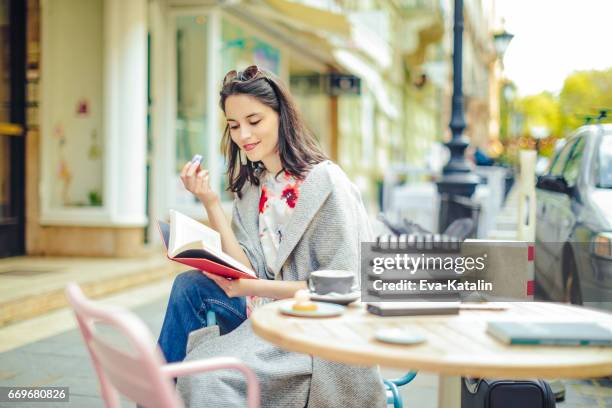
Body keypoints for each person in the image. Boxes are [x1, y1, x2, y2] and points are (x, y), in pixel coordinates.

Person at [158, 65, 386, 407]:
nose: (243, 135)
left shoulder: (327, 186)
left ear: (282, 117)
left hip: (312, 328)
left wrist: (254, 288)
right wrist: (209, 201)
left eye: (254, 121)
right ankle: (155, 394)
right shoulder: (254, 187)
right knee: (189, 286)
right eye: (234, 126)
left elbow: (344, 289)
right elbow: (246, 266)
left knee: (204, 376)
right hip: (265, 314)